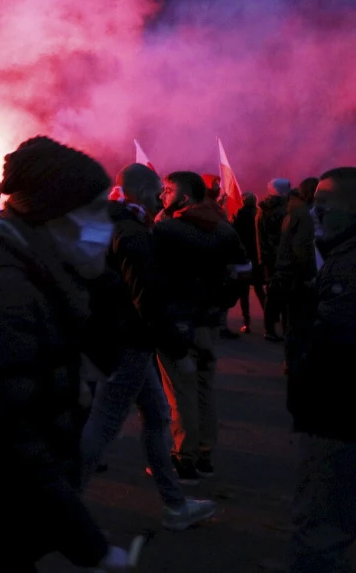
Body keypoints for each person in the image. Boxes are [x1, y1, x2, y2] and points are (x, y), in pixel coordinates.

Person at [0, 136, 134, 572]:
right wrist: (90, 547)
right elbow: (9, 439)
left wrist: (103, 285)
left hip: (6, 511)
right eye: (91, 211)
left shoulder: (39, 266)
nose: (103, 223)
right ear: (53, 214)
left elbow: (102, 354)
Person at [79, 164, 217, 530]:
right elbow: (148, 302)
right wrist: (178, 350)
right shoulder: (133, 233)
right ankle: (59, 508)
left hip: (120, 338)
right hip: (129, 342)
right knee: (103, 427)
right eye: (158, 191)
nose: (162, 197)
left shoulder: (111, 223)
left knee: (156, 416)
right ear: (140, 191)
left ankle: (175, 505)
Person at [153, 171, 251, 483]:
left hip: (177, 324)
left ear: (182, 197)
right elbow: (244, 271)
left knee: (181, 392)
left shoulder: (166, 229)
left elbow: (152, 277)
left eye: (167, 190)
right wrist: (222, 303)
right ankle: (205, 454)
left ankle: (185, 459)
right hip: (209, 322)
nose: (161, 196)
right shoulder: (224, 228)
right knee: (205, 386)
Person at [286, 167, 356, 572]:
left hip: (336, 415)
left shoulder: (349, 266)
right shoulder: (340, 253)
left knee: (320, 524)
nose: (315, 212)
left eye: (325, 205)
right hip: (333, 411)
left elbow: (332, 344)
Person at [271, 181, 320, 344]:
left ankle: (291, 358)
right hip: (298, 274)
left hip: (287, 271)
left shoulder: (292, 213)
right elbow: (301, 247)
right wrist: (308, 275)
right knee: (300, 320)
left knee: (293, 318)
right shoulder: (304, 215)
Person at [258, 178, 291, 340]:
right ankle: (271, 329)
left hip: (273, 257)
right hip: (276, 257)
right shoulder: (275, 210)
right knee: (276, 296)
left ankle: (275, 329)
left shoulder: (267, 209)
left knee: (277, 295)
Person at [232, 192, 265, 333]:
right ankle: (269, 318)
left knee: (244, 292)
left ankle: (247, 322)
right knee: (259, 290)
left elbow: (234, 236)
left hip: (244, 258)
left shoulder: (240, 215)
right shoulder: (261, 215)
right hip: (257, 257)